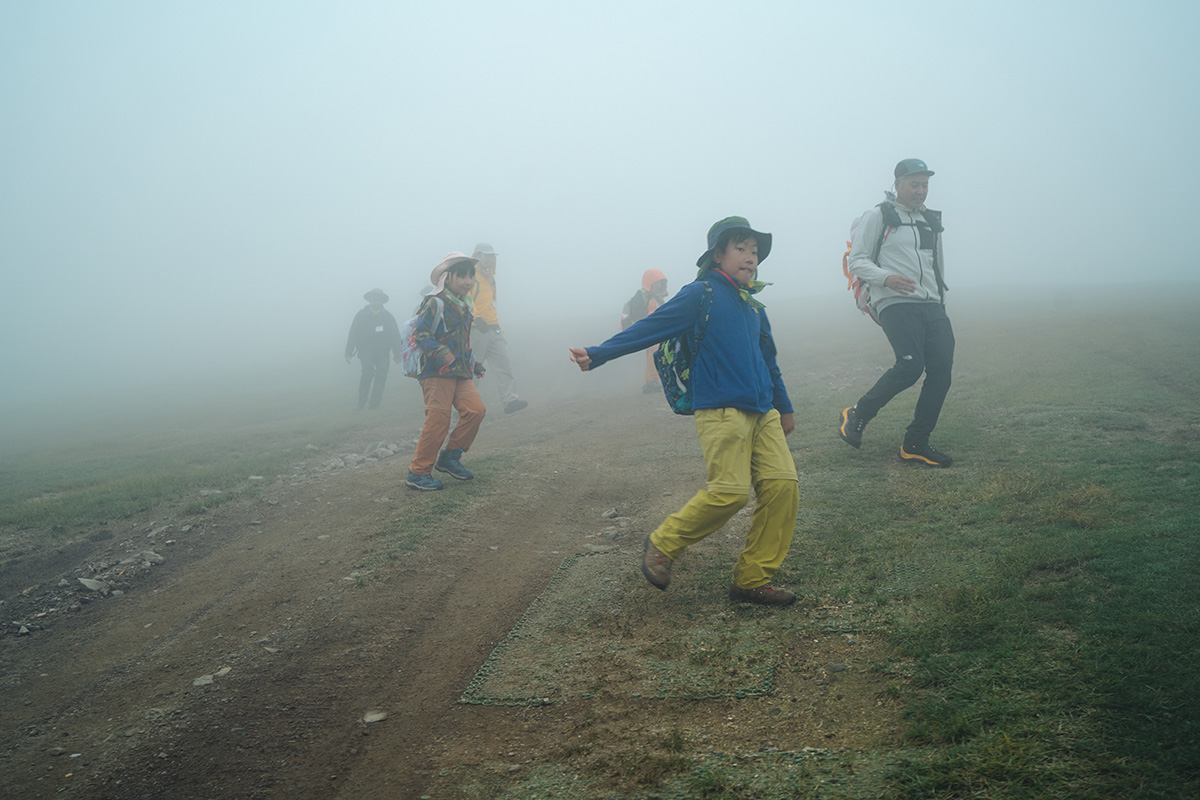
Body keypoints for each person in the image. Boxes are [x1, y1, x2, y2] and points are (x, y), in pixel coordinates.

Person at [569, 217, 800, 607]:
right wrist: (598, 353)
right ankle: (663, 543)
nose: (750, 258)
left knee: (783, 488)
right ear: (718, 255)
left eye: (755, 251)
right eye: (741, 249)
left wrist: (784, 406)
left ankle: (753, 578)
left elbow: (768, 360)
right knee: (728, 493)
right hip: (722, 410)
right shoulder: (701, 293)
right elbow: (651, 327)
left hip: (764, 412)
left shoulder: (752, 304)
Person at [839, 158, 954, 467]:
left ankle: (916, 442)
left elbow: (937, 267)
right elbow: (857, 260)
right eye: (914, 185)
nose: (920, 191)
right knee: (910, 365)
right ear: (898, 185)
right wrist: (886, 279)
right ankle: (858, 414)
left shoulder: (930, 221)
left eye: (925, 185)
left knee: (942, 372)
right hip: (893, 299)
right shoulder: (878, 216)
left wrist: (940, 301)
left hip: (931, 303)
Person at [406, 253, 487, 491]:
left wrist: (475, 364)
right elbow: (419, 335)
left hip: (461, 371)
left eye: (471, 276)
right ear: (447, 277)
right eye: (462, 276)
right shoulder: (435, 302)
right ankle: (417, 473)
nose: (467, 281)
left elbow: (462, 342)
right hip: (435, 371)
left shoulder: (465, 305)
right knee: (438, 420)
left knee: (476, 410)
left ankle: (450, 458)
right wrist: (441, 352)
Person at [469, 242, 528, 414]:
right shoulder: (470, 275)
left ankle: (510, 400)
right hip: (477, 328)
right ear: (478, 255)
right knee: (473, 369)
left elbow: (490, 304)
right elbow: (466, 298)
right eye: (487, 255)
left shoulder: (489, 277)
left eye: (491, 255)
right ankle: (463, 404)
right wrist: (477, 318)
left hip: (493, 327)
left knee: (504, 366)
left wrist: (493, 323)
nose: (490, 258)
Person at [345, 288, 402, 410]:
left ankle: (374, 405)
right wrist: (348, 352)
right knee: (367, 373)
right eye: (374, 299)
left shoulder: (388, 317)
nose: (376, 302)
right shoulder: (361, 315)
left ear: (382, 302)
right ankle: (362, 401)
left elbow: (395, 335)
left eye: (379, 300)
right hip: (366, 351)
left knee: (382, 376)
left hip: (383, 352)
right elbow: (353, 332)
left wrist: (397, 353)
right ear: (369, 300)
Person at [620, 269, 669, 393]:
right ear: (650, 282)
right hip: (647, 329)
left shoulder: (657, 296)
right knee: (654, 351)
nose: (658, 285)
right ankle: (651, 381)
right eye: (656, 282)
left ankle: (649, 382)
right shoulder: (641, 295)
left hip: (656, 329)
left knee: (654, 353)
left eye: (660, 282)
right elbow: (636, 314)